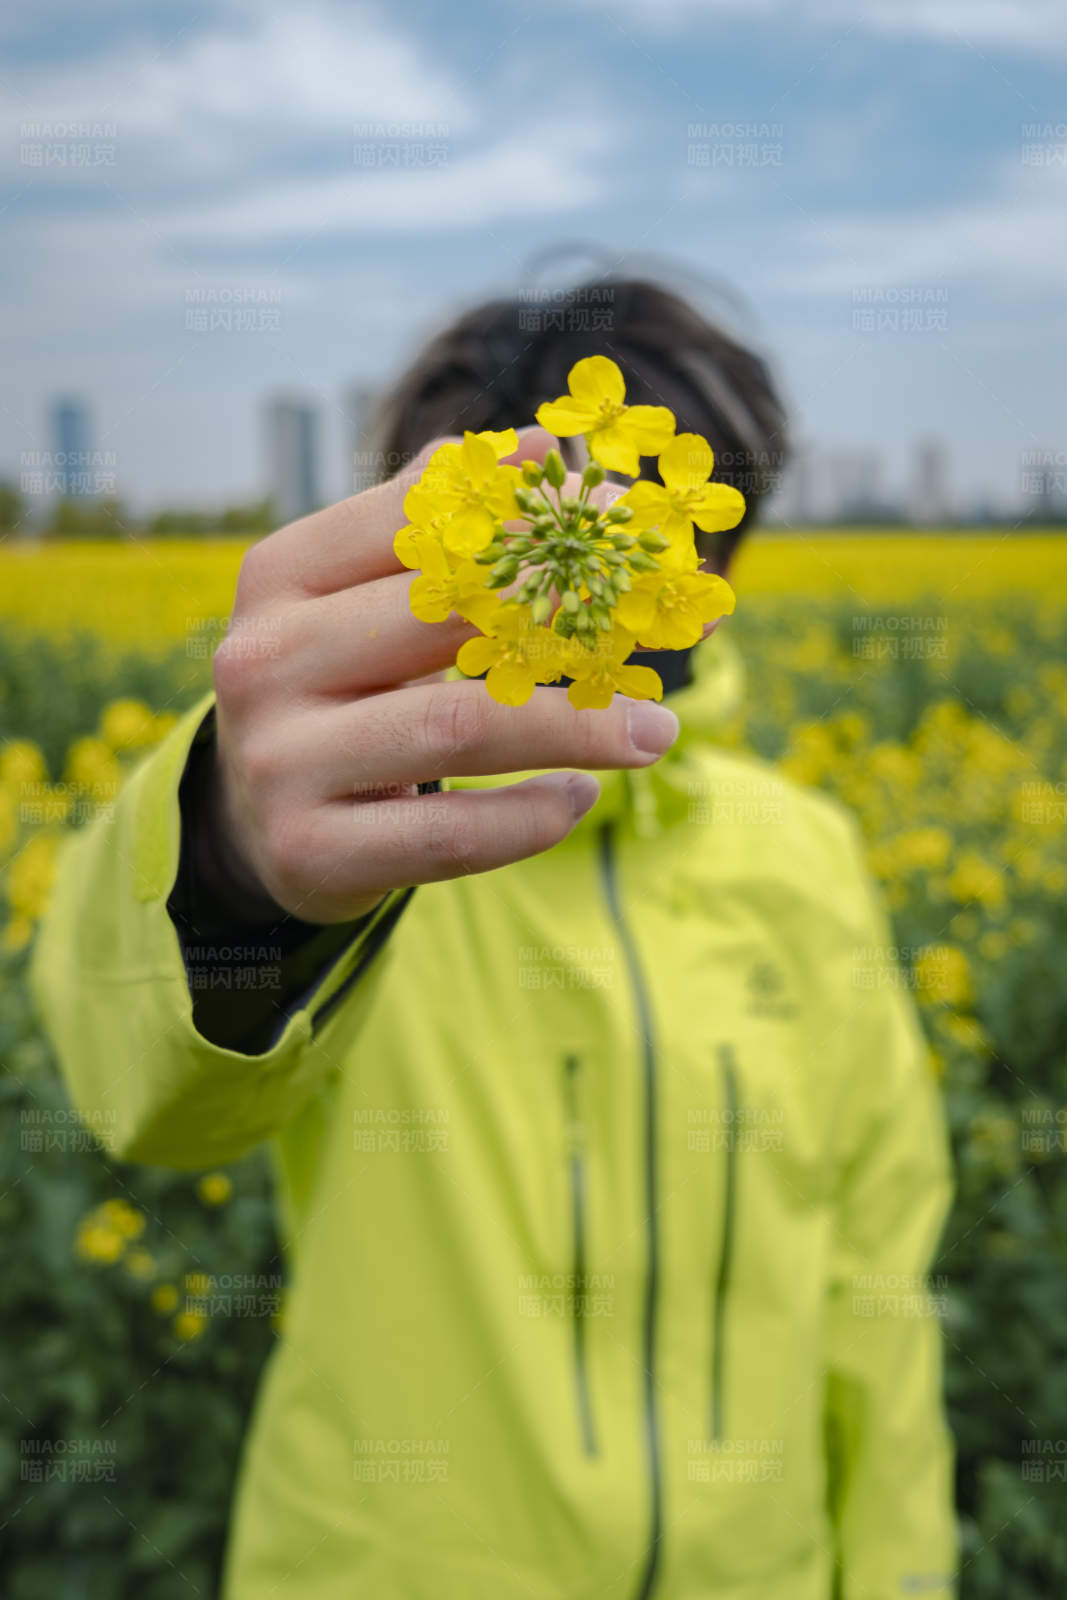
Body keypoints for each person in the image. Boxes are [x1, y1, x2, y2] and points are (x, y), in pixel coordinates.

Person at [31, 275, 958, 1599]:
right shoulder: (359, 843)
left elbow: (879, 1299)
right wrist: (232, 856)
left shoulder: (808, 859)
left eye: (669, 513)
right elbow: (140, 1088)